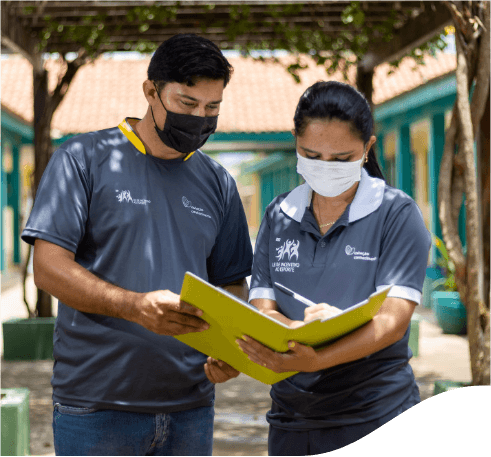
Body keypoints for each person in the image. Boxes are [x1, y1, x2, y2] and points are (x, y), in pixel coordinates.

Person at [21, 34, 253, 456]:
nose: (201, 117)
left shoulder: (219, 183)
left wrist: (229, 346)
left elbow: (233, 284)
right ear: (151, 91)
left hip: (191, 407)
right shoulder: (83, 158)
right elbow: (48, 266)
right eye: (187, 104)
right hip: (96, 408)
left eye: (212, 108)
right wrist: (133, 306)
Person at [237, 81, 431, 455]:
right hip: (292, 421)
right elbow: (265, 308)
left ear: (367, 149)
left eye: (342, 159)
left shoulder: (396, 214)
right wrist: (297, 329)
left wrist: (320, 355)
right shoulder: (279, 215)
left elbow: (392, 321)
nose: (326, 168)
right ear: (295, 141)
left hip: (372, 413)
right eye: (312, 155)